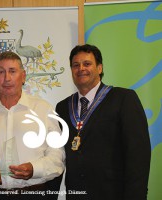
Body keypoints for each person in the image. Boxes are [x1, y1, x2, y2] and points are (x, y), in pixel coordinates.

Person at [55, 44, 151, 200]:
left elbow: (138, 155)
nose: (81, 68)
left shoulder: (124, 99)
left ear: (99, 68)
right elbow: (58, 155)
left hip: (114, 194)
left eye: (87, 64)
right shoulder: (63, 107)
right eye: (75, 65)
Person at [0, 51, 65, 200]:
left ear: (23, 76)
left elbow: (57, 156)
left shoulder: (43, 109)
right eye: (1, 72)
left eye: (12, 71)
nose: (7, 78)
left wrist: (34, 169)